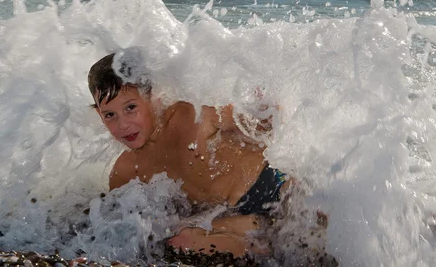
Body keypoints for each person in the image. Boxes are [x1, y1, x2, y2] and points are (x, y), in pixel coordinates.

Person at [87, 53, 292, 257]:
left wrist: (264, 110)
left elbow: (266, 122)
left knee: (309, 212)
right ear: (99, 115)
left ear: (152, 97)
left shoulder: (192, 114)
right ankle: (268, 249)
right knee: (178, 241)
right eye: (110, 115)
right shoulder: (124, 172)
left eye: (130, 108)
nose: (123, 124)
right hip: (233, 221)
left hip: (274, 189)